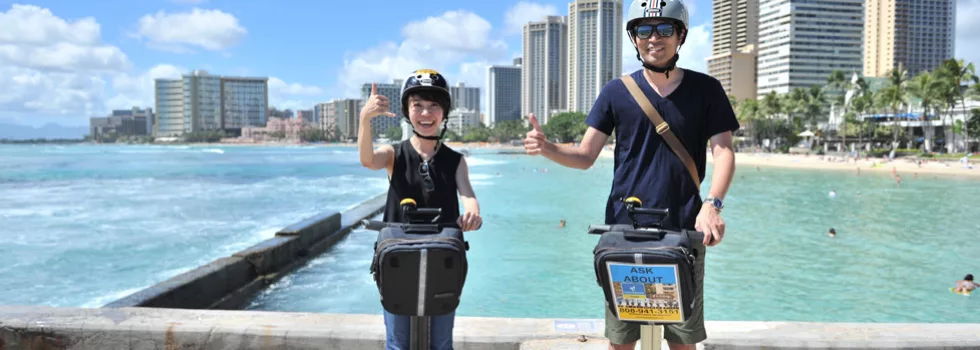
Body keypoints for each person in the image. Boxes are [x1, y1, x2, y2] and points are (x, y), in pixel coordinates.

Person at [523, 0, 738, 349]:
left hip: (684, 227)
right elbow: (585, 155)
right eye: (644, 30)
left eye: (665, 29)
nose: (654, 38)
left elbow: (723, 150)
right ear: (634, 38)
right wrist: (547, 148)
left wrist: (712, 204)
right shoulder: (615, 91)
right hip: (625, 229)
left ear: (681, 36)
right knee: (620, 341)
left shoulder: (706, 89)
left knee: (682, 342)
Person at [357, 69, 483, 350]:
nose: (426, 113)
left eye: (433, 105)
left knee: (442, 342)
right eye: (418, 105)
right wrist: (365, 119)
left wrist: (472, 214)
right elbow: (368, 160)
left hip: (442, 259)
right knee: (397, 342)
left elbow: (468, 196)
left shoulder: (455, 160)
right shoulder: (393, 153)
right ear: (407, 111)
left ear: (444, 112)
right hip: (398, 259)